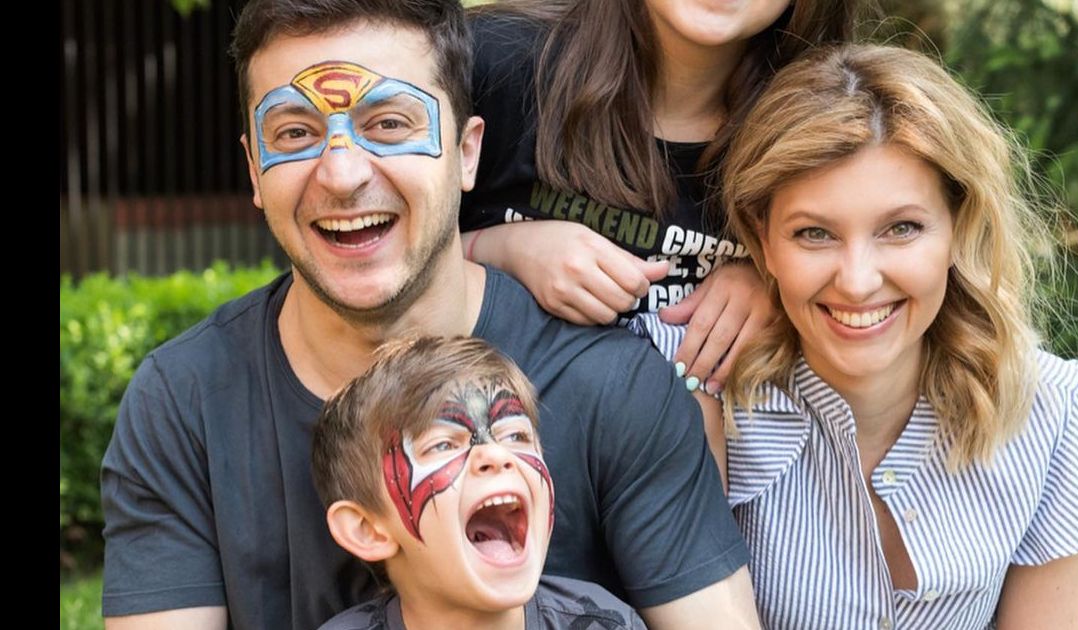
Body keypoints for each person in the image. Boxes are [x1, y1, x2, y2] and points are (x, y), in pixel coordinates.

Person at [99, 1, 756, 628]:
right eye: (295, 133)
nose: (341, 174)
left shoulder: (614, 387)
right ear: (252, 168)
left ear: (468, 152)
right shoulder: (185, 402)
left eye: (389, 123)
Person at [638, 43, 1078, 629]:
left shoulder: (1057, 415)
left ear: (959, 224)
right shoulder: (686, 380)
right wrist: (509, 246)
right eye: (814, 233)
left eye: (901, 228)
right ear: (761, 236)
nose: (857, 281)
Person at [459, 0, 868, 396]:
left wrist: (776, 277)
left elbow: (871, 265)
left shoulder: (816, 128)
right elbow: (397, 267)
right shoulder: (491, 60)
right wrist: (500, 250)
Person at [312, 335, 645, 630]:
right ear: (367, 530)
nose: (496, 455)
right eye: (442, 444)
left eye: (515, 435)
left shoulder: (604, 622)